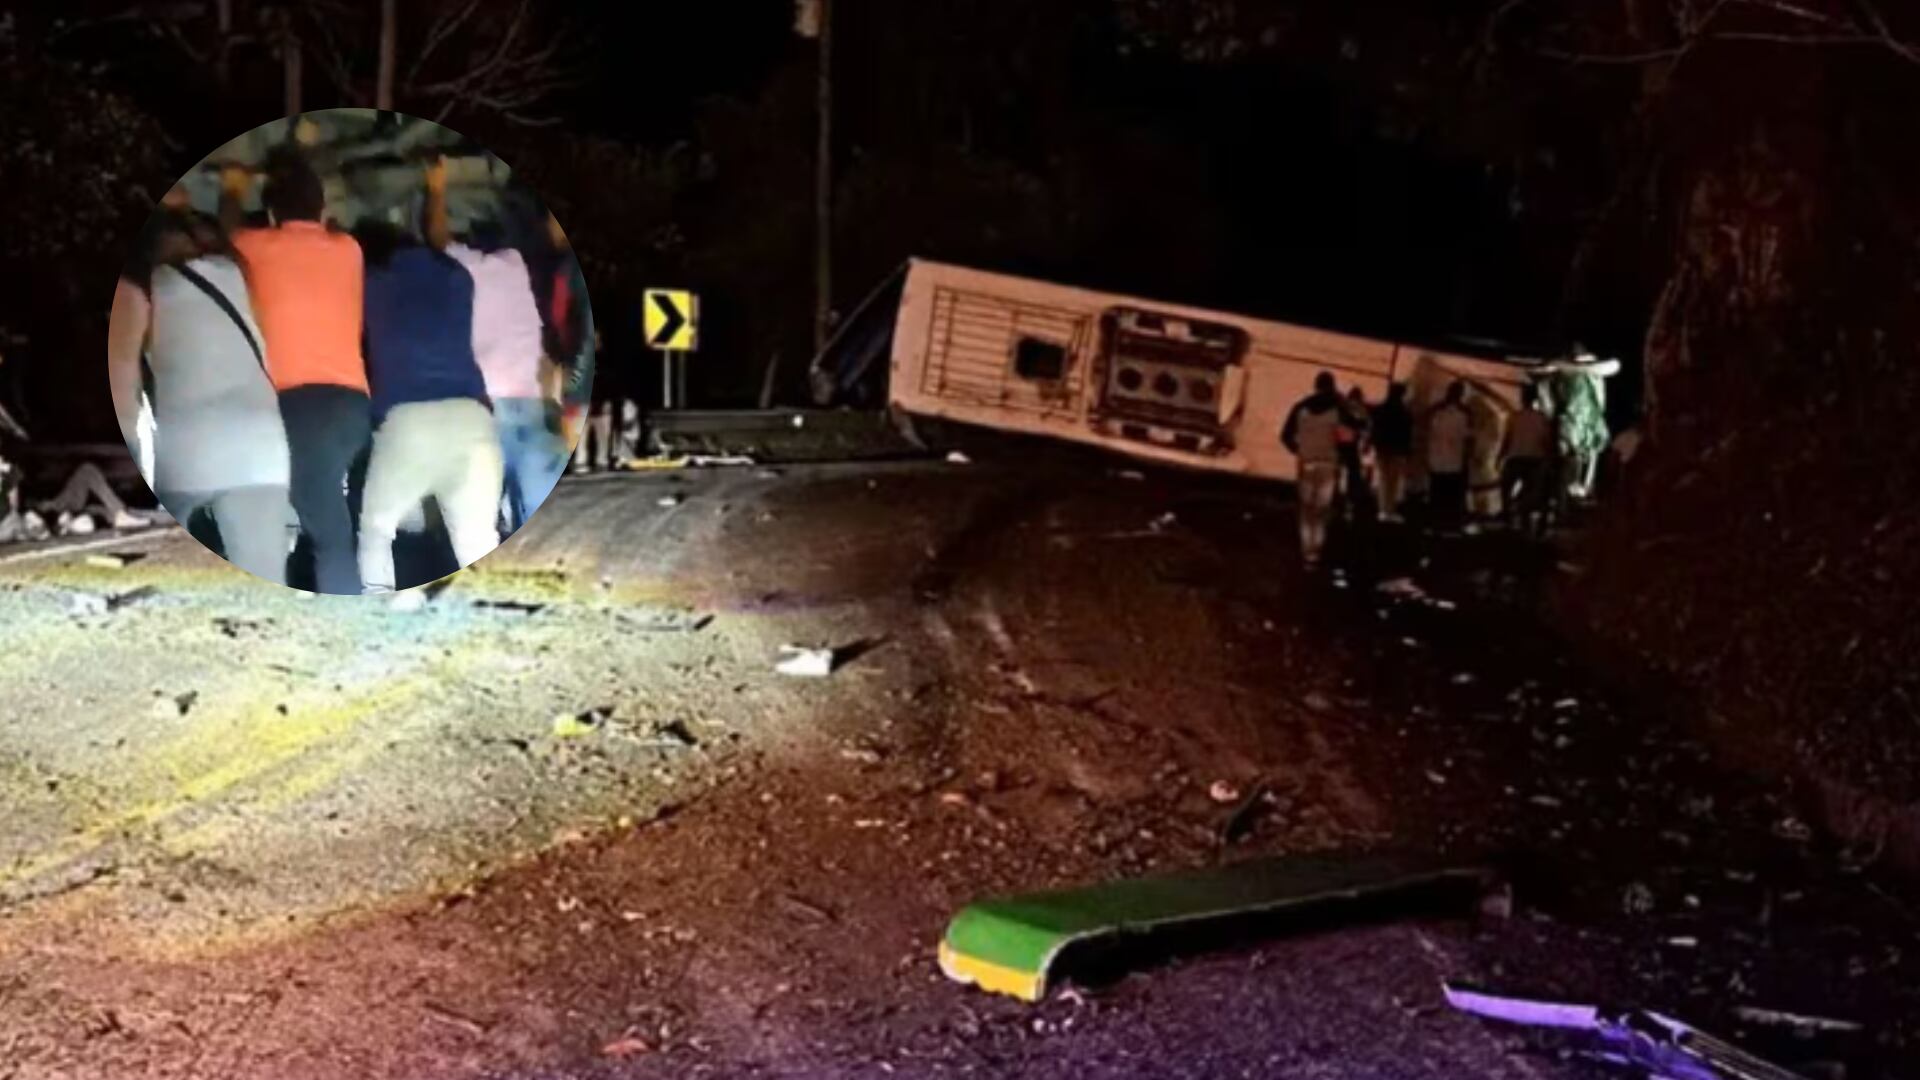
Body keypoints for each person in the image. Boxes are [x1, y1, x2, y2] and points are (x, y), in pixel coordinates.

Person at [106, 210, 293, 584]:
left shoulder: (143, 285)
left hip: (191, 441)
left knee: (176, 576)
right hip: (261, 439)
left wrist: (132, 450)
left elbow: (121, 374)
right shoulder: (237, 277)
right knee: (267, 578)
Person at [221, 147, 371, 594]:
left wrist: (232, 188)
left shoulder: (255, 246)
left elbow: (225, 231)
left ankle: (340, 628)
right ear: (322, 209)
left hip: (298, 404)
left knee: (328, 532)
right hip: (352, 405)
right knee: (321, 514)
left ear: (270, 212)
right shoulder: (348, 250)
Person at [352, 158, 503, 596]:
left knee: (378, 529)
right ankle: (486, 625)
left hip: (409, 421)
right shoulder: (458, 277)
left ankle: (379, 608)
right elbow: (438, 245)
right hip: (473, 420)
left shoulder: (371, 283)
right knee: (477, 541)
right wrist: (435, 191)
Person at [430, 180, 564, 535]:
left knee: (479, 519)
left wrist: (437, 191)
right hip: (530, 404)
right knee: (538, 519)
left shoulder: (469, 268)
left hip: (490, 407)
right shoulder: (514, 264)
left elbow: (438, 241)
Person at [1281, 371, 1345, 568]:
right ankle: (1315, 552)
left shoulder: (1300, 407)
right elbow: (1349, 436)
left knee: (1307, 511)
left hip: (1306, 463)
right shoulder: (1338, 409)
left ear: (1315, 385)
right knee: (1321, 512)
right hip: (1328, 464)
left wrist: (1299, 450)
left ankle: (1307, 552)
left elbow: (1285, 436)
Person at [1498, 382, 1556, 537]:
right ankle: (1524, 523)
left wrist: (1500, 456)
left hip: (1517, 458)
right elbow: (1547, 442)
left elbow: (1507, 439)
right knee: (1530, 493)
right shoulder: (1541, 418)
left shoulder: (1515, 417)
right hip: (1534, 459)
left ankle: (1509, 519)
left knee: (1506, 489)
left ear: (1523, 399)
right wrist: (1548, 459)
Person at [1424, 380, 1473, 530]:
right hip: (1454, 461)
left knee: (1437, 494)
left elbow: (1425, 425)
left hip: (1438, 460)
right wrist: (1468, 457)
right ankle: (1451, 524)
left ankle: (1436, 523)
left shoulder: (1436, 411)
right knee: (1452, 495)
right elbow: (1469, 439)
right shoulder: (1465, 414)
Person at [1369, 383, 1414, 522]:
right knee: (1393, 482)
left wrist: (1372, 443)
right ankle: (1390, 510)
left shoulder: (1380, 410)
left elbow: (1374, 428)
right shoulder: (1405, 413)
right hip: (1397, 450)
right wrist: (1407, 452)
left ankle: (1382, 510)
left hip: (1382, 449)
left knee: (1383, 479)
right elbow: (1407, 434)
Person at [1336, 386, 1372, 521]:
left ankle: (1343, 505)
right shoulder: (1361, 412)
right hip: (1350, 450)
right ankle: (1349, 505)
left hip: (1343, 449)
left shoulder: (1344, 409)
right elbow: (1365, 429)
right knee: (1352, 478)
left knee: (1342, 477)